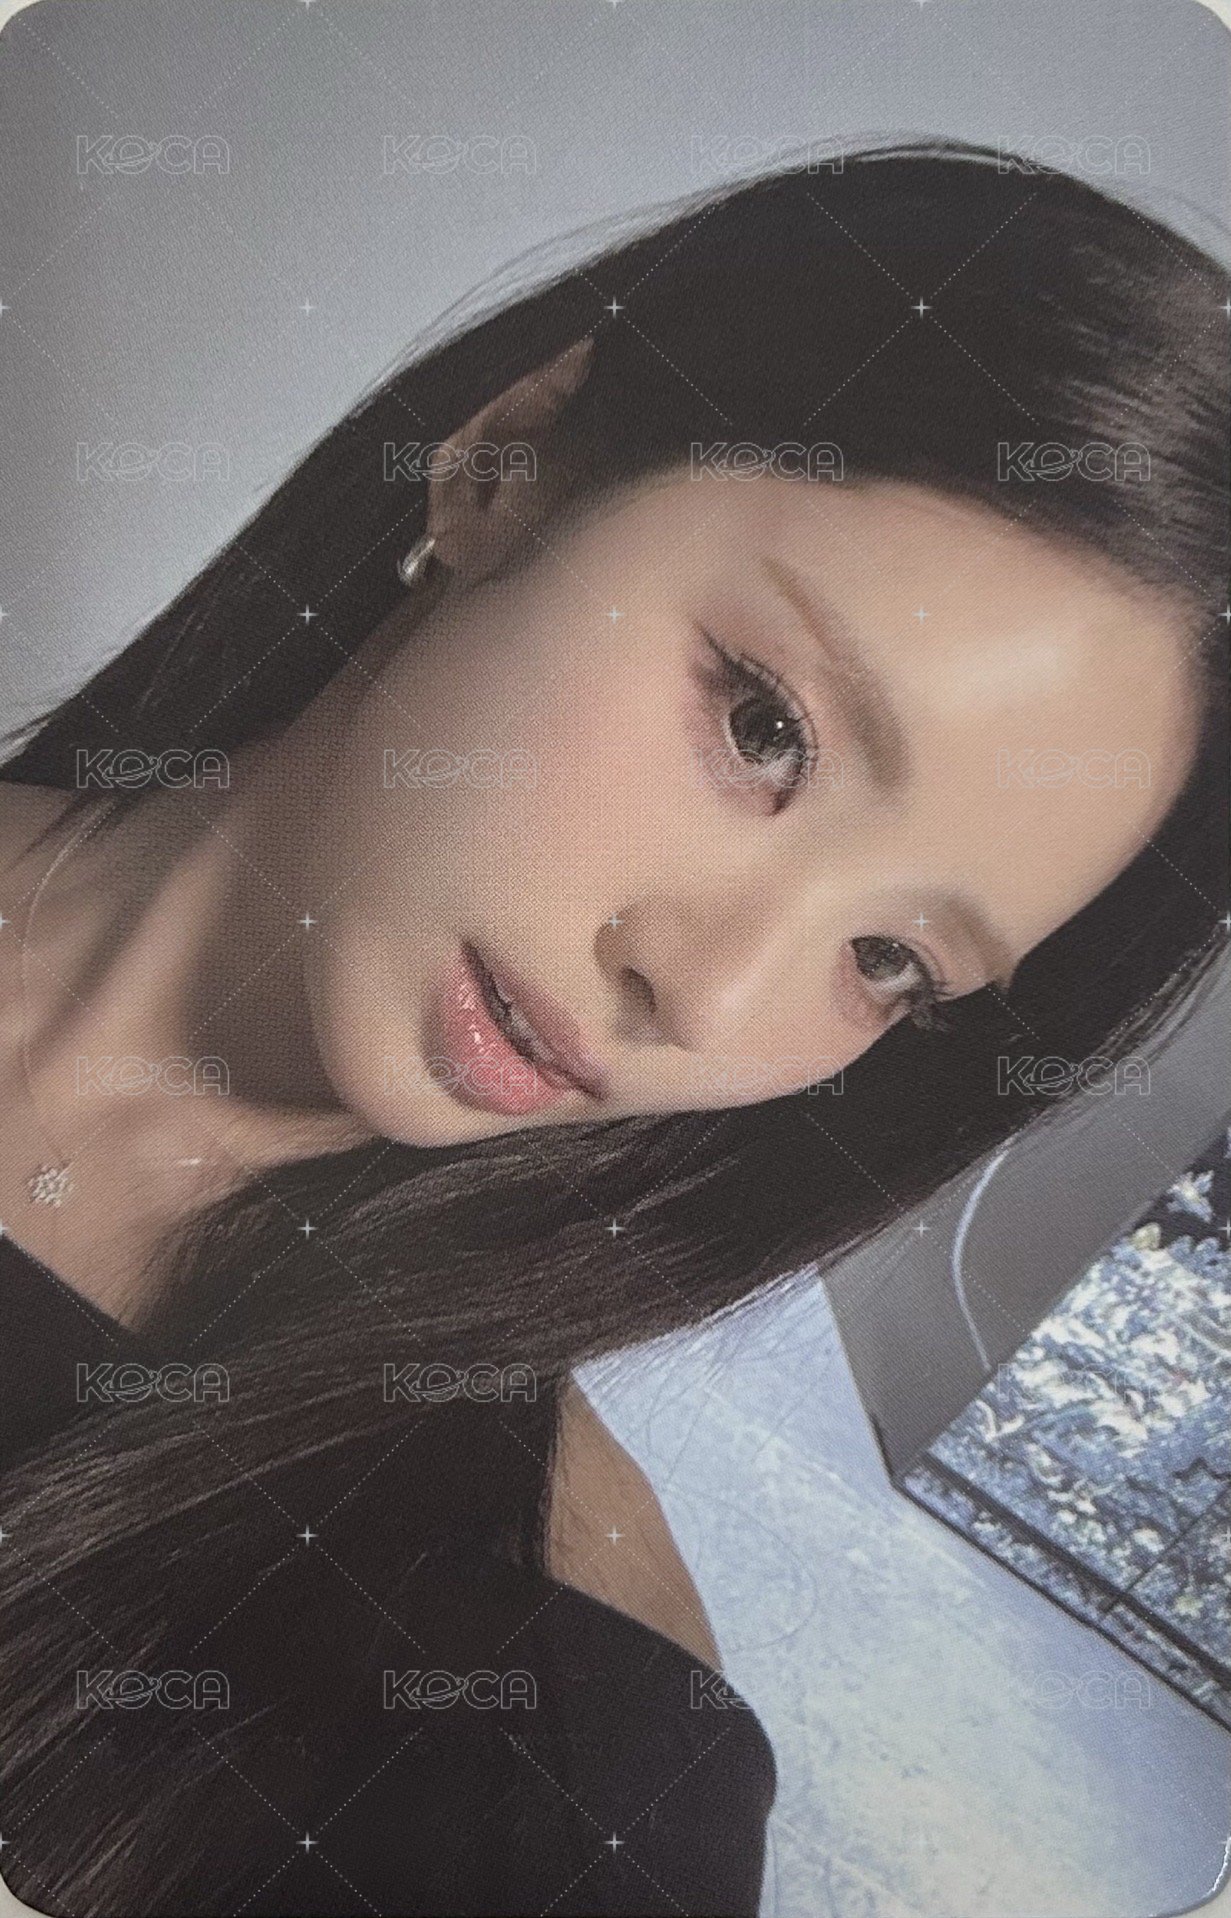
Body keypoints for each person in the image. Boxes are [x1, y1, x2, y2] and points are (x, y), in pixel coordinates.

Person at [0, 139, 1226, 1916]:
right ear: (509, 461)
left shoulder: (559, 1741)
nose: (707, 998)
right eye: (765, 728)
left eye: (892, 957)